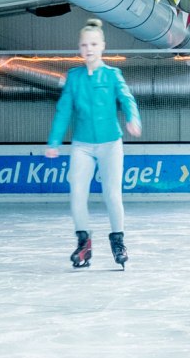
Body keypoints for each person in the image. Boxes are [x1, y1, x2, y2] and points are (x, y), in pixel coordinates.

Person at [45, 17, 141, 269]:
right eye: (84, 45)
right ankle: (84, 243)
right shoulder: (74, 77)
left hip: (111, 143)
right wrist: (54, 141)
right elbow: (64, 110)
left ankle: (118, 240)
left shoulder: (112, 74)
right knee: (77, 193)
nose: (89, 49)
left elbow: (127, 99)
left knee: (112, 194)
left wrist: (133, 118)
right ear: (80, 48)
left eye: (93, 44)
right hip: (82, 145)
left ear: (102, 47)